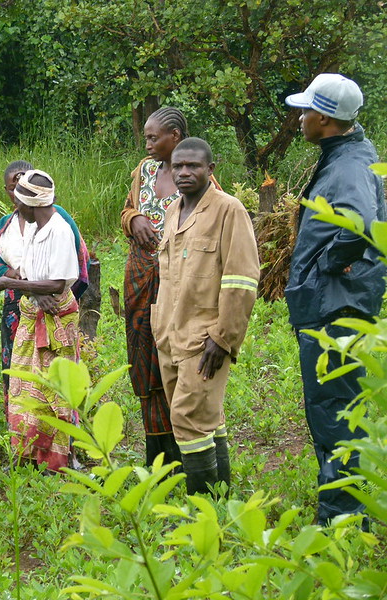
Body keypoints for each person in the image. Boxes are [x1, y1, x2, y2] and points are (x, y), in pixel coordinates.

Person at [284, 74, 385, 526]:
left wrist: (330, 262)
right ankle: (348, 510)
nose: (300, 118)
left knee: (334, 411)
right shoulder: (345, 156)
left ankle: (343, 520)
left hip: (335, 305)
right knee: (336, 408)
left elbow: (359, 221)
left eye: (305, 111)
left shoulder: (346, 168)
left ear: (323, 118)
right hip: (332, 301)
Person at [151, 137, 259, 495]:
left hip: (205, 338)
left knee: (188, 417)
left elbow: (241, 281)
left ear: (210, 170)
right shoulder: (172, 212)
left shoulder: (229, 211)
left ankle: (202, 509)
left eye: (193, 166)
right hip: (168, 334)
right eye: (178, 166)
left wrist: (223, 338)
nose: (184, 172)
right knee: (206, 417)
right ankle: (222, 497)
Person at [121, 107, 221, 469]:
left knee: (175, 360)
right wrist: (135, 220)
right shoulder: (144, 172)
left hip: (178, 285)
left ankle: (186, 451)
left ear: (175, 137)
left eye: (153, 138)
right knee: (145, 363)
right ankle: (157, 452)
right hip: (139, 279)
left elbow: (211, 233)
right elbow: (126, 210)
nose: (147, 144)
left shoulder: (201, 183)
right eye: (146, 137)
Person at [0, 170, 81, 472]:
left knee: (54, 390)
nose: (16, 208)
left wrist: (9, 283)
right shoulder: (33, 227)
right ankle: (27, 455)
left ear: (33, 203)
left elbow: (57, 284)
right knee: (24, 387)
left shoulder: (59, 230)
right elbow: (34, 274)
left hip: (56, 317)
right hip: (33, 312)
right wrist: (30, 287)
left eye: (19, 202)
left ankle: (57, 460)